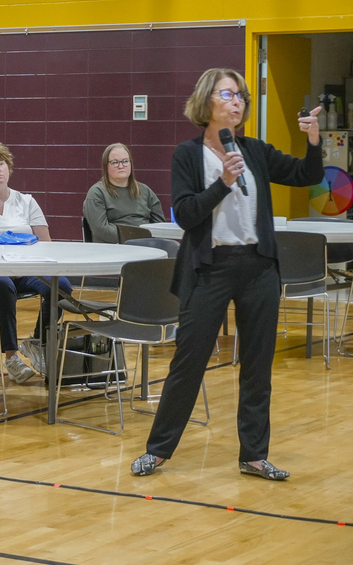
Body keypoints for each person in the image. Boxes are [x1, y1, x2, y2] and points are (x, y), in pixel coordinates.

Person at [130, 68, 324, 481]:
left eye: (241, 96)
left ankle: (254, 454)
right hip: (209, 268)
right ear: (207, 102)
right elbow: (185, 213)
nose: (237, 101)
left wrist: (312, 140)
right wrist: (223, 182)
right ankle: (158, 449)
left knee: (257, 365)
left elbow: (305, 175)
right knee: (190, 361)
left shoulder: (254, 149)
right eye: (228, 94)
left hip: (258, 267)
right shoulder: (187, 154)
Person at [0, 142, 73, 383]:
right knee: (2, 283)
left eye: (2, 164)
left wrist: (25, 265)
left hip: (25, 269)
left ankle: (38, 341)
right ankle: (12, 356)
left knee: (61, 286)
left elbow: (46, 243)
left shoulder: (27, 201)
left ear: (9, 169)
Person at [82, 143, 166, 243]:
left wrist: (147, 241)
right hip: (114, 249)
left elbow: (160, 226)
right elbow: (101, 230)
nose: (121, 166)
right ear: (106, 166)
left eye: (125, 161)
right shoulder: (97, 193)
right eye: (115, 162)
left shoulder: (145, 191)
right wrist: (135, 240)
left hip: (146, 246)